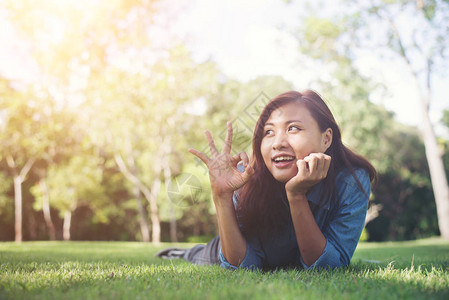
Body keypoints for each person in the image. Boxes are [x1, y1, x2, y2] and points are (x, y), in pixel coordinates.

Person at [156, 90, 377, 270]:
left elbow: (329, 266)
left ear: (326, 138)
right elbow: (244, 265)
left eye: (293, 128)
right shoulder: (245, 177)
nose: (277, 143)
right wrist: (222, 196)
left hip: (287, 255)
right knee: (207, 254)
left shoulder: (351, 180)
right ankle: (184, 252)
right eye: (268, 132)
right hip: (230, 246)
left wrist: (296, 195)